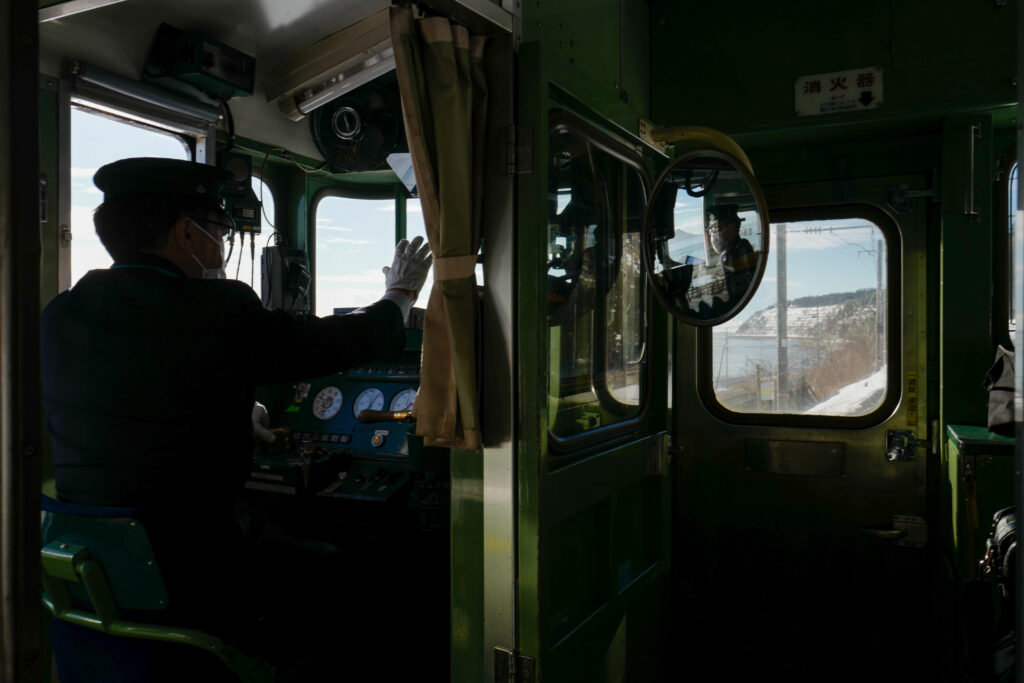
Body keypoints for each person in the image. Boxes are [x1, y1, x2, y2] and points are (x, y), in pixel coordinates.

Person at [40, 157, 432, 677]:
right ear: (187, 232)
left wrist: (234, 409)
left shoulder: (62, 312)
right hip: (197, 569)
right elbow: (328, 344)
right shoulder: (215, 308)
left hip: (96, 569)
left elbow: (130, 394)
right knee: (378, 579)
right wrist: (399, 294)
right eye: (220, 228)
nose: (222, 243)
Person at [663, 203, 757, 320]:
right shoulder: (728, 254)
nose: (712, 233)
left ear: (732, 227)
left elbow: (733, 299)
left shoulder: (741, 250)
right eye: (711, 228)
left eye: (716, 227)